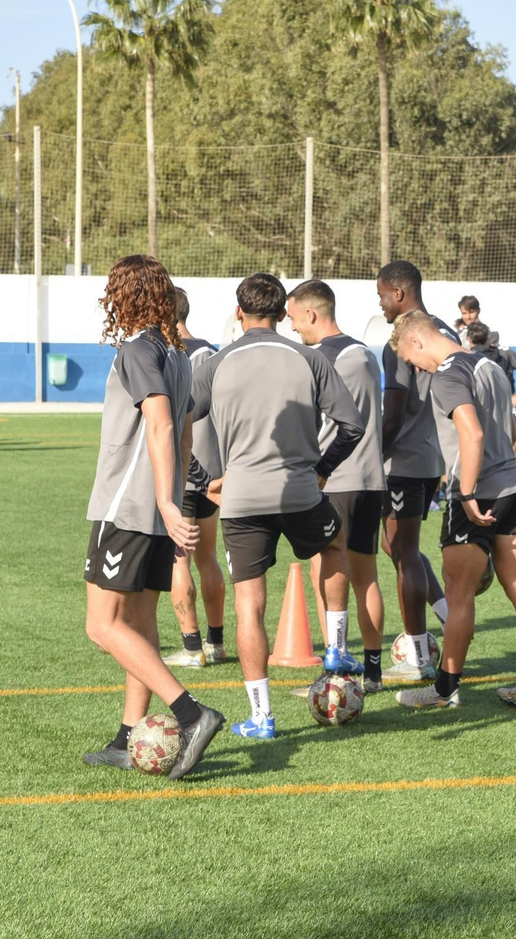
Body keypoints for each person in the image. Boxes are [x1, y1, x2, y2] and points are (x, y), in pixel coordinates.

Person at [190, 273, 365, 740]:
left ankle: (262, 718)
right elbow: (351, 425)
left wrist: (201, 480)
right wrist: (322, 470)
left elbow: (175, 426)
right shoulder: (309, 357)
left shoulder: (216, 362)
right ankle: (335, 649)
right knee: (335, 543)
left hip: (241, 497)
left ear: (238, 312)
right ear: (282, 312)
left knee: (250, 604)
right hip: (300, 489)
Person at [80, 256, 225, 779]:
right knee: (139, 625)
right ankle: (128, 735)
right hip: (155, 506)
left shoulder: (139, 348)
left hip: (128, 505)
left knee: (102, 626)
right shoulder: (177, 353)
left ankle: (191, 713)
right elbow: (184, 433)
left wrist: (165, 502)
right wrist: (180, 492)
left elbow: (163, 426)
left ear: (126, 294)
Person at [389, 310, 516, 711]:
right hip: (515, 484)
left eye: (411, 358)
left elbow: (472, 432)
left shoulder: (446, 374)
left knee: (459, 596)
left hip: (478, 492)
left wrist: (466, 492)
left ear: (417, 341)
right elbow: (509, 432)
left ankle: (444, 690)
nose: (415, 367)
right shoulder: (490, 366)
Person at [287, 279, 387, 690]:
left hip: (333, 477)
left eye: (294, 319)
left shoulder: (318, 356)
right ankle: (375, 672)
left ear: (311, 314)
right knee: (366, 574)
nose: (293, 328)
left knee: (326, 569)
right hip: (372, 479)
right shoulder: (366, 352)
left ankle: (335, 673)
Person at [377, 260, 459, 682]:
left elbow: (393, 412)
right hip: (434, 460)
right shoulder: (448, 329)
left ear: (399, 293)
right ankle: (446, 615)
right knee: (398, 546)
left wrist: (375, 457)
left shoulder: (400, 340)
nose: (381, 304)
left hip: (404, 458)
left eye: (382, 296)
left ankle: (417, 656)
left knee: (403, 551)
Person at [162, 287, 229, 669]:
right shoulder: (216, 353)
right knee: (207, 557)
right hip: (216, 469)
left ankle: (191, 647)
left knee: (179, 559)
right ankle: (216, 641)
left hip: (187, 471)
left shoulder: (172, 354)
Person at [466, 322, 516, 470]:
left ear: (469, 339)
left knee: (495, 446)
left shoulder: (470, 355)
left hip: (489, 406)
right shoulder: (499, 352)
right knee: (512, 446)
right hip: (501, 406)